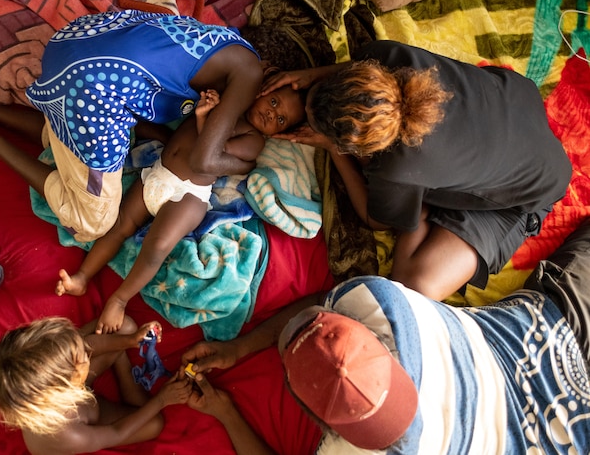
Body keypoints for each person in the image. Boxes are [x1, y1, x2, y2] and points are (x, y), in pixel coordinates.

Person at [181, 218, 590, 453]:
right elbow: (323, 307)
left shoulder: (349, 451)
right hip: (557, 329)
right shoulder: (382, 305)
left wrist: (227, 411)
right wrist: (240, 348)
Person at [0, 9, 265, 244]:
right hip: (87, 87)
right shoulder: (249, 76)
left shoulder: (233, 45)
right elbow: (204, 161)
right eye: (279, 115)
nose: (269, 119)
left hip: (76, 39)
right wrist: (246, 163)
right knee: (94, 222)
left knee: (81, 138)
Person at [261, 40, 572, 300]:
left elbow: (376, 219)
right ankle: (420, 199)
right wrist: (312, 75)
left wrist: (333, 150)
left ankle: (417, 206)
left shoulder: (399, 167)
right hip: (515, 106)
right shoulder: (395, 59)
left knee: (413, 286)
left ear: (353, 145)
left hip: (526, 195)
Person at [55, 86, 306, 334]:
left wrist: (202, 117)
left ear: (278, 133)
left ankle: (119, 300)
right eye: (274, 102)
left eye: (281, 119)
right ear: (262, 92)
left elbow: (211, 151)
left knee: (158, 246)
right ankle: (82, 278)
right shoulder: (225, 107)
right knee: (120, 226)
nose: (272, 114)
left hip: (187, 194)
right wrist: (208, 106)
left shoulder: (254, 140)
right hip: (156, 174)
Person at [0, 316, 192, 455]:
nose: (87, 352)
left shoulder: (55, 374)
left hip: (72, 388)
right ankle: (122, 366)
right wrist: (162, 400)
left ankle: (119, 354)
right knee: (154, 424)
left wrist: (130, 340)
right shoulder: (68, 435)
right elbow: (116, 432)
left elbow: (85, 345)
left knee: (125, 326)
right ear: (69, 383)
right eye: (82, 357)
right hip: (89, 419)